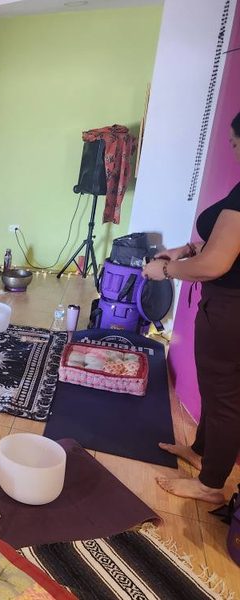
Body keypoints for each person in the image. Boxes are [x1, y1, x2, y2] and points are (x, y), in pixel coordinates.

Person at [142, 110, 240, 504]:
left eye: (235, 142)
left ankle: (211, 486)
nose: (232, 149)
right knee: (219, 391)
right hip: (227, 305)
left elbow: (217, 264)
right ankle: (200, 453)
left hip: (231, 310)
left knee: (225, 399)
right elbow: (222, 246)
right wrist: (186, 249)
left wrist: (166, 269)